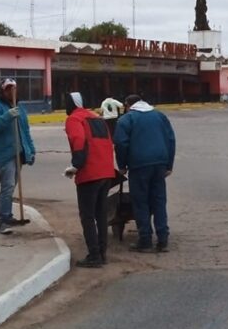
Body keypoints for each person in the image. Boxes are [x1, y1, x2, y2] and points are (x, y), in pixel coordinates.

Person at [113, 94, 176, 253]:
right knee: (159, 201)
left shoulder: (127, 119)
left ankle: (145, 240)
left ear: (128, 105)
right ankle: (163, 239)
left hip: (139, 165)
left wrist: (122, 165)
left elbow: (120, 143)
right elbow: (170, 139)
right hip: (160, 164)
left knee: (141, 202)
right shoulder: (159, 116)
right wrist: (169, 164)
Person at [64, 92, 115, 268]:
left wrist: (75, 165)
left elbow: (78, 140)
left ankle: (94, 255)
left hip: (89, 174)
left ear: (71, 104)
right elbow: (108, 144)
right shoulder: (97, 118)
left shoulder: (74, 119)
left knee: (87, 216)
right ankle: (102, 253)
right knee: (101, 215)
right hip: (106, 173)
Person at [0, 78, 36, 235]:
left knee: (12, 186)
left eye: (13, 88)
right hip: (6, 153)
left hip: (19, 152)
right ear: (2, 90)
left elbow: (25, 131)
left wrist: (31, 150)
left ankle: (9, 215)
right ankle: (3, 219)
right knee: (7, 186)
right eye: (8, 89)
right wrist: (7, 116)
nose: (11, 91)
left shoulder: (19, 108)